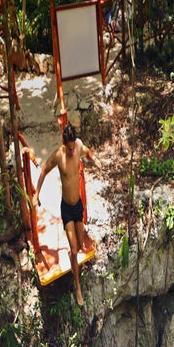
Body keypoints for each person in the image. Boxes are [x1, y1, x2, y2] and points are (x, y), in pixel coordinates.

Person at [32, 123, 98, 306]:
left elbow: (87, 151)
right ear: (63, 142)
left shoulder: (77, 145)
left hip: (78, 206)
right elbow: (44, 170)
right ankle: (78, 288)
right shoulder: (58, 155)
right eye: (68, 148)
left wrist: (93, 158)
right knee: (75, 249)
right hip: (67, 209)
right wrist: (37, 193)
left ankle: (74, 265)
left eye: (72, 148)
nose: (71, 151)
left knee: (82, 244)